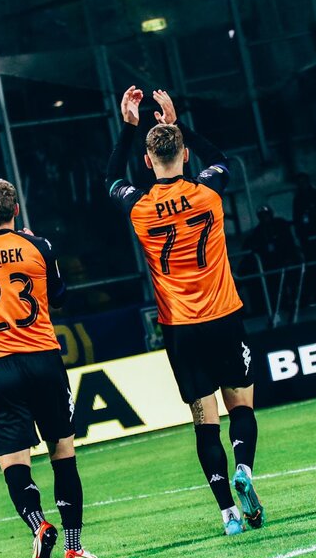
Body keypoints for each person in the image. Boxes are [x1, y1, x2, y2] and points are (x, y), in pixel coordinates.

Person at [106, 87, 265, 535]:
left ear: (147, 162)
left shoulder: (138, 206)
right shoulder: (208, 190)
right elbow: (222, 158)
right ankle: (244, 470)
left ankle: (228, 514)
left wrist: (129, 126)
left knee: (204, 421)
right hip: (224, 314)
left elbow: (110, 177)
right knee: (241, 405)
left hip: (181, 327)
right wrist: (178, 123)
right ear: (186, 155)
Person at [0, 178, 96, 558]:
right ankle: (73, 548)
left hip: (1, 367)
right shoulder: (40, 247)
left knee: (13, 461)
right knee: (62, 453)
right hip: (44, 360)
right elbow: (60, 296)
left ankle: (39, 526)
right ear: (15, 211)